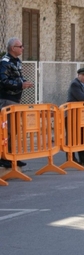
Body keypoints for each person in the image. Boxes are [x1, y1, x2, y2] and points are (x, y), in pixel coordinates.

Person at [0, 37, 33, 168]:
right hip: (7, 99)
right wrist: (20, 85)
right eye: (20, 46)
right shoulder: (5, 62)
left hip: (15, 99)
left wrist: (24, 82)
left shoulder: (16, 61)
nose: (22, 48)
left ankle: (12, 155)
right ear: (13, 48)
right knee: (6, 130)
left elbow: (18, 76)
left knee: (14, 130)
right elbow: (4, 81)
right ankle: (4, 157)